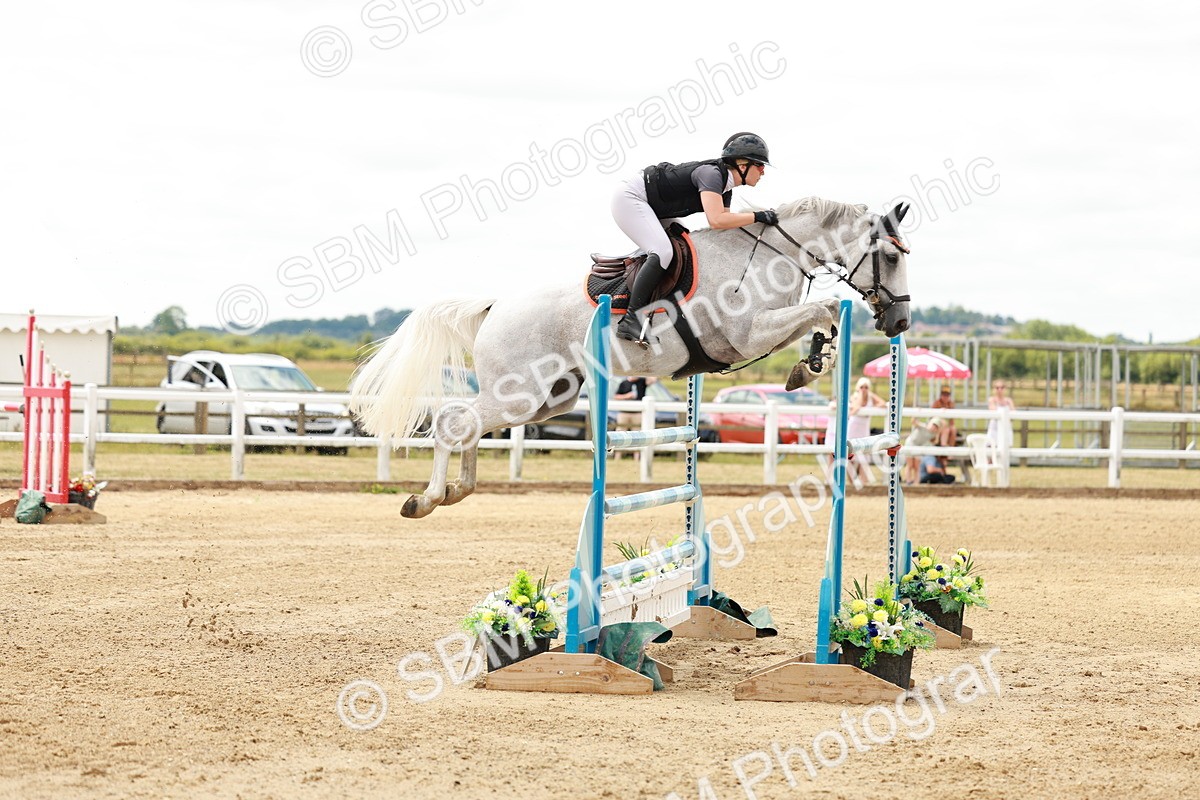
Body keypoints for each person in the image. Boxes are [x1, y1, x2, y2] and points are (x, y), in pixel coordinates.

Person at [611, 132, 777, 344]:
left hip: (654, 207)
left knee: (686, 245)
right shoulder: (712, 175)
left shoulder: (725, 187)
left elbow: (722, 226)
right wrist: (757, 216)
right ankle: (631, 319)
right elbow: (717, 220)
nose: (763, 171)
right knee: (663, 251)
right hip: (630, 198)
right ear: (742, 165)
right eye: (759, 165)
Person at [847, 377, 885, 484]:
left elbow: (882, 403)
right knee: (850, 454)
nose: (864, 389)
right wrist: (860, 394)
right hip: (853, 427)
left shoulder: (870, 397)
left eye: (866, 387)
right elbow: (857, 406)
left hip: (864, 428)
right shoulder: (854, 396)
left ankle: (864, 481)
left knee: (864, 454)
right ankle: (852, 481)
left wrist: (873, 405)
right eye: (861, 387)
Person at [613, 376, 655, 459]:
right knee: (620, 434)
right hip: (624, 412)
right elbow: (616, 396)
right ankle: (617, 456)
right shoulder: (624, 383)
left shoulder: (642, 381)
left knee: (637, 435)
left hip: (637, 413)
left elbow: (653, 379)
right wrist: (626, 396)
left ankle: (637, 457)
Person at [903, 418, 944, 485]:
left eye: (936, 426)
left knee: (917, 466)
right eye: (933, 425)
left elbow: (935, 441)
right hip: (910, 443)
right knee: (910, 465)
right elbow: (913, 421)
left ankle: (916, 483)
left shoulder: (934, 434)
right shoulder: (923, 426)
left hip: (919, 447)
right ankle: (908, 482)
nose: (934, 427)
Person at [987, 379, 1016, 453]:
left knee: (1005, 452)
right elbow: (993, 411)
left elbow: (1013, 415)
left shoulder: (1009, 401)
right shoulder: (992, 400)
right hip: (994, 430)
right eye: (997, 387)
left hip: (1006, 429)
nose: (999, 390)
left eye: (1002, 387)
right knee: (991, 452)